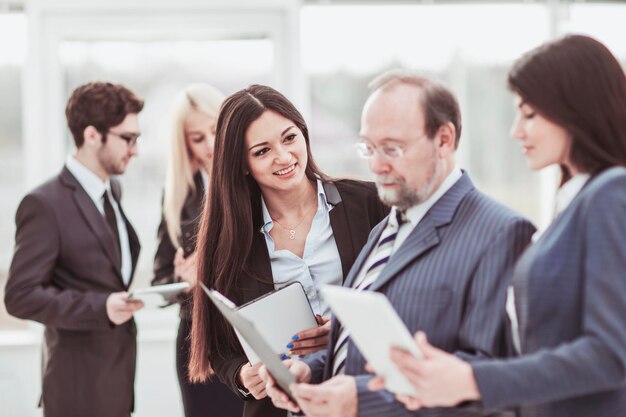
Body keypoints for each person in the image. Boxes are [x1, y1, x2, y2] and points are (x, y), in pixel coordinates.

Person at [368, 35, 626, 417]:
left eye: (530, 114)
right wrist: (449, 382)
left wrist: (471, 379)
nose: (516, 131)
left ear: (576, 109)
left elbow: (611, 354)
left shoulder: (610, 193)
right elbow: (540, 357)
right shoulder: (573, 203)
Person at [262, 70, 536, 417]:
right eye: (369, 148)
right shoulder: (385, 229)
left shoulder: (500, 232)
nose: (376, 165)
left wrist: (361, 399)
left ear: (444, 139)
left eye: (392, 148)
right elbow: (360, 343)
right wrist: (311, 369)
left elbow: (487, 379)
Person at [187, 84, 389, 417]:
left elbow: (406, 298)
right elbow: (221, 348)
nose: (283, 157)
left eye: (290, 138)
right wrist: (242, 376)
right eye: (262, 151)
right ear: (242, 164)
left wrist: (343, 329)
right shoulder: (229, 240)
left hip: (366, 397)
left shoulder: (370, 204)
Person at [4, 82, 145, 417]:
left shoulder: (114, 191)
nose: (136, 149)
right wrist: (101, 308)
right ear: (92, 135)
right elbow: (19, 295)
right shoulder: (44, 204)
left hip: (117, 383)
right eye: (128, 138)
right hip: (75, 391)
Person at [152, 84, 243, 417]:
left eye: (215, 130)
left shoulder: (253, 181)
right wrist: (181, 279)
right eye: (197, 137)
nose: (210, 144)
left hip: (247, 338)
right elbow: (161, 279)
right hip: (198, 342)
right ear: (184, 143)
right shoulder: (179, 194)